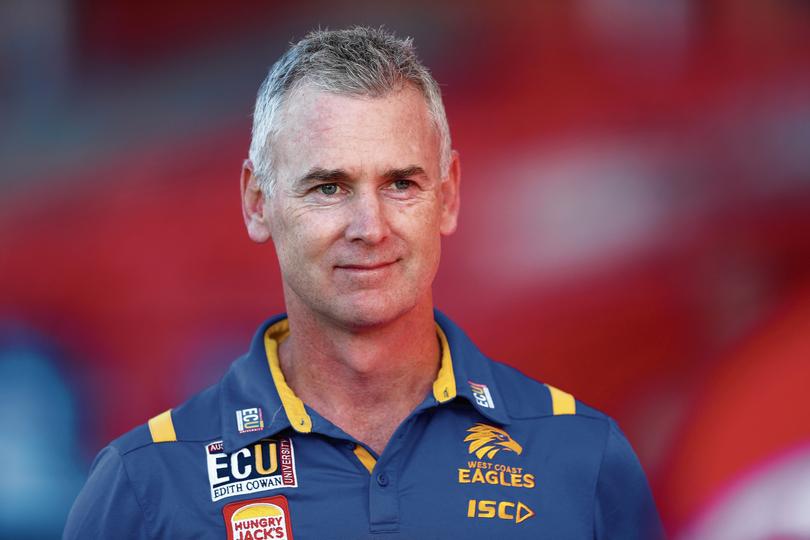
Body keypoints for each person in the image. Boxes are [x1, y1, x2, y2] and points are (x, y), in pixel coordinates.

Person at [64, 26, 664, 539]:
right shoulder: (144, 484)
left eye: (401, 184)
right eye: (329, 187)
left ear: (449, 195)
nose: (369, 227)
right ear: (256, 203)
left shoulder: (583, 457)